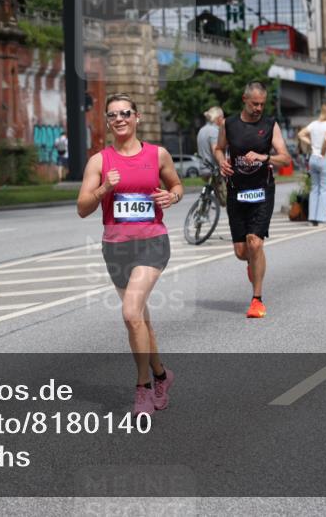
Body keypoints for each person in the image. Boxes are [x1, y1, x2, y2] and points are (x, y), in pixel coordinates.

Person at [77, 93, 183, 416]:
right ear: (108, 122)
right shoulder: (99, 161)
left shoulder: (157, 154)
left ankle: (143, 388)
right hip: (116, 247)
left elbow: (177, 186)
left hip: (152, 243)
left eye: (125, 113)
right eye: (113, 115)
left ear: (137, 117)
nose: (119, 119)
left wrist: (172, 197)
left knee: (130, 313)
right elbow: (82, 208)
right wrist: (104, 189)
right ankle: (162, 376)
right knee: (140, 321)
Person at [214, 82, 292, 319]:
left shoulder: (270, 125)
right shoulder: (229, 124)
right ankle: (253, 263)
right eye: (254, 103)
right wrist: (221, 162)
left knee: (255, 243)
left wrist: (264, 157)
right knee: (242, 251)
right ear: (244, 100)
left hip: (262, 191)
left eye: (262, 104)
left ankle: (257, 300)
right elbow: (219, 148)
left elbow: (285, 158)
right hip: (236, 191)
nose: (258, 108)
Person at [298, 104, 326, 225]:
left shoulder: (314, 124)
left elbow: (300, 134)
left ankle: (312, 218)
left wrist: (311, 143)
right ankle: (321, 218)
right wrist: (323, 152)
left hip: (313, 158)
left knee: (315, 188)